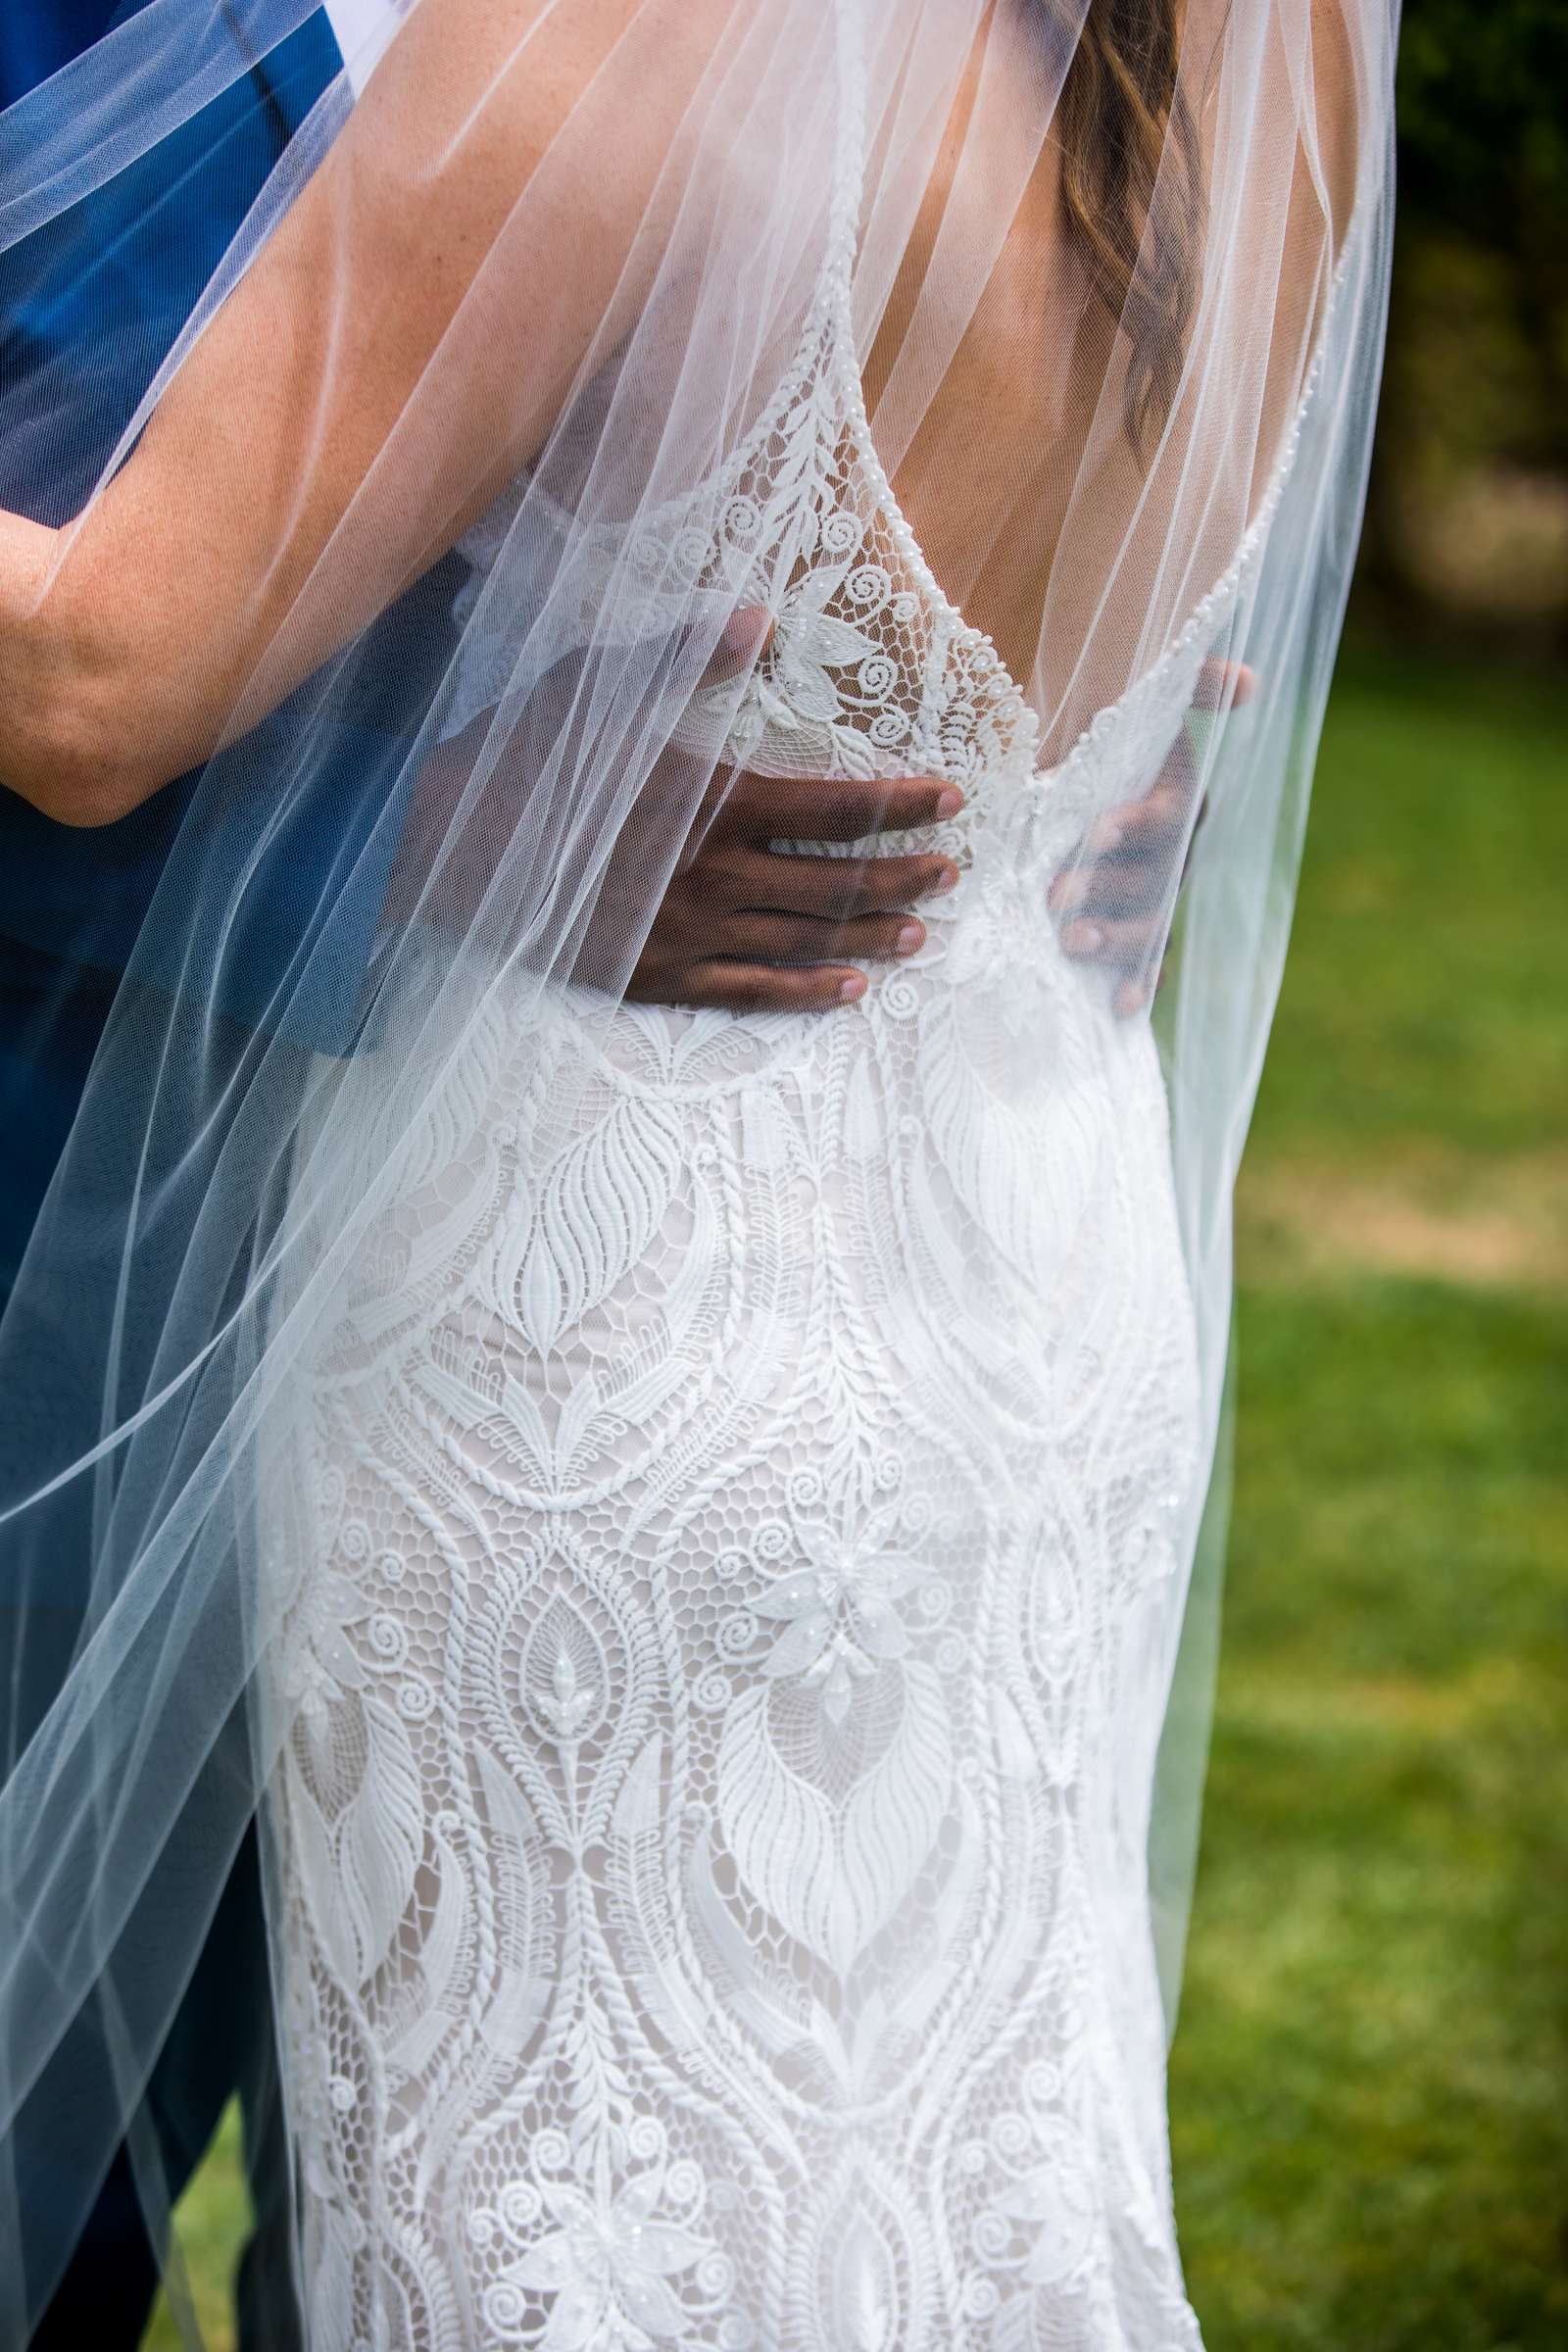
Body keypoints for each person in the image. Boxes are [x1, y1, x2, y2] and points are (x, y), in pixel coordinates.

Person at [0, 1, 1396, 2344]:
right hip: (1021, 1309)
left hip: (596, 1343)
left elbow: (93, 680)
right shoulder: (1278, 55)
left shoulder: (646, 20)